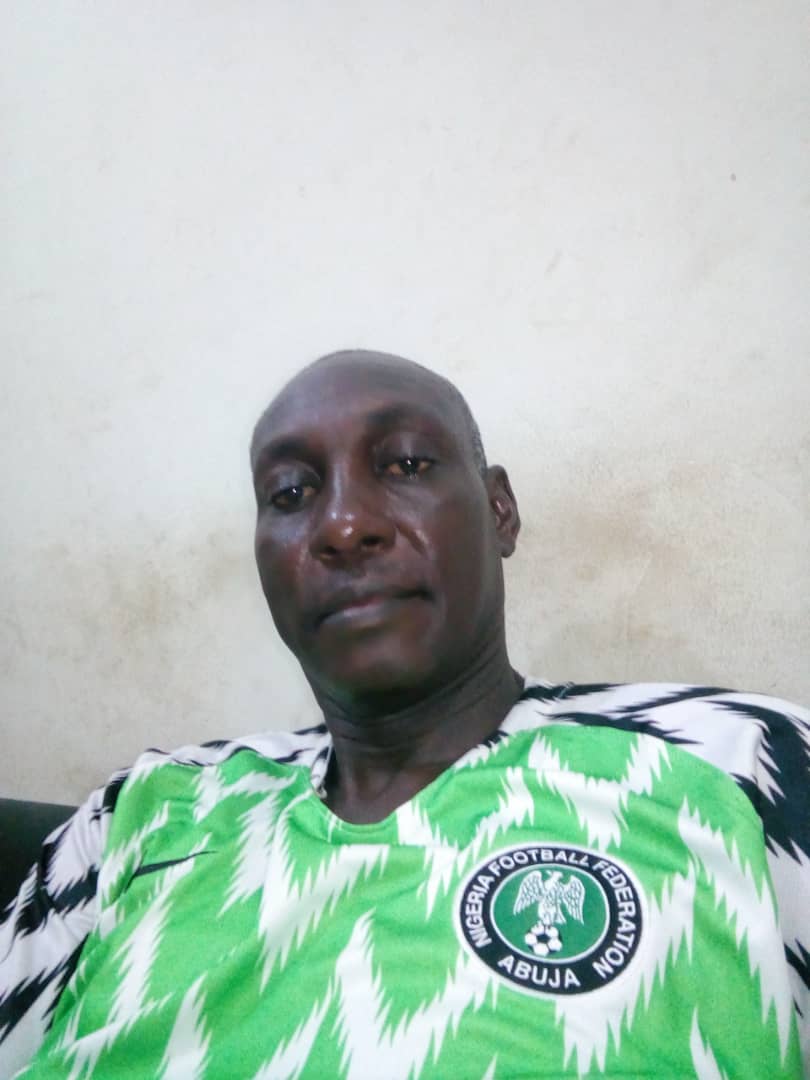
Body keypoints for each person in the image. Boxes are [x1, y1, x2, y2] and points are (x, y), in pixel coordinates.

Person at [1, 350, 808, 1078]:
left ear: (500, 511)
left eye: (406, 464)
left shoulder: (740, 762)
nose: (344, 525)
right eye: (290, 494)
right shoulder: (142, 814)